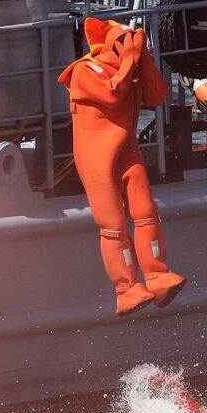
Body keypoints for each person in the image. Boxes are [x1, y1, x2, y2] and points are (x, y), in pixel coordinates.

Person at [59, 18, 186, 314]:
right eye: (127, 44)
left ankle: (157, 275)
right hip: (95, 156)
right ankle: (126, 289)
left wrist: (145, 60)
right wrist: (130, 59)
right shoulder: (84, 71)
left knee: (145, 210)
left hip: (125, 148)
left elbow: (156, 95)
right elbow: (112, 94)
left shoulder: (131, 71)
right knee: (113, 224)